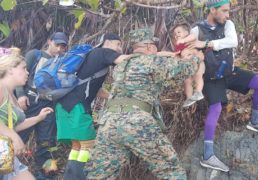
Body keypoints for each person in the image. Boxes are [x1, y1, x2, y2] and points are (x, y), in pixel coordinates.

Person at [85, 28, 202, 179]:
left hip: (109, 124)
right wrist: (197, 58)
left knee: (99, 174)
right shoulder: (151, 60)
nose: (156, 49)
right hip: (137, 121)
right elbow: (182, 71)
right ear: (148, 47)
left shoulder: (121, 66)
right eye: (154, 46)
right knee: (170, 170)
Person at [190, 0, 258, 172]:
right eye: (224, 11)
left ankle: (256, 121)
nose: (228, 15)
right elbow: (190, 52)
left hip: (229, 72)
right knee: (215, 109)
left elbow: (233, 41)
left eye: (228, 11)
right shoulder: (196, 30)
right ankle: (208, 155)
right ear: (212, 10)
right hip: (211, 78)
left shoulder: (228, 24)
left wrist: (207, 44)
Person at [55, 32, 134, 179]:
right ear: (108, 42)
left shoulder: (91, 55)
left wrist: (113, 97)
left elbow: (93, 88)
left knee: (77, 145)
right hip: (77, 106)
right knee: (88, 144)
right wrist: (148, 56)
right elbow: (123, 60)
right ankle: (79, 177)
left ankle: (70, 177)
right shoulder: (104, 52)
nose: (119, 48)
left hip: (63, 105)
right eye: (118, 44)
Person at [15, 32, 68, 179]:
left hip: (49, 105)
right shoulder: (35, 55)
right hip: (29, 103)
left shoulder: (64, 62)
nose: (59, 49)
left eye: (63, 46)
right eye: (57, 45)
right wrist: (20, 95)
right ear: (49, 41)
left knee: (47, 142)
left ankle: (45, 175)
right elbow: (19, 76)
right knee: (18, 137)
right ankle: (8, 169)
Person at [0, 49, 53, 180]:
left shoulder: (10, 93)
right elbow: (10, 130)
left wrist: (39, 118)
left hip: (4, 154)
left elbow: (12, 126)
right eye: (23, 68)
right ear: (10, 69)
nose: (27, 72)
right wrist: (14, 136)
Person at [170, 23, 206, 107]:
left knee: (198, 76)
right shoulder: (178, 45)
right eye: (175, 34)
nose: (176, 35)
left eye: (179, 32)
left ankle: (198, 92)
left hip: (197, 61)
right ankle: (189, 98)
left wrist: (184, 40)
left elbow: (193, 36)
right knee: (187, 81)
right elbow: (177, 55)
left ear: (186, 32)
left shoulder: (189, 38)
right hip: (187, 66)